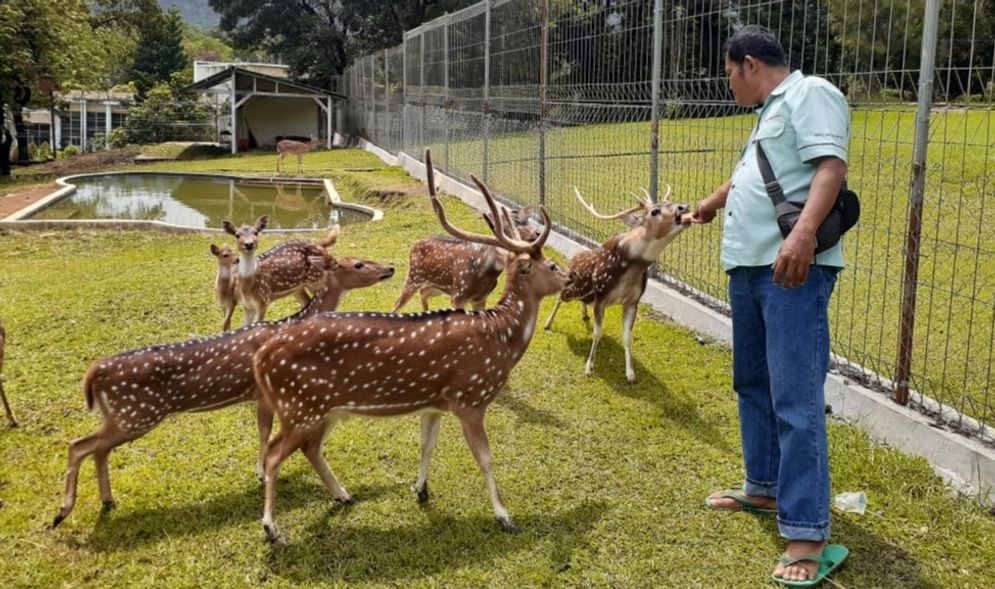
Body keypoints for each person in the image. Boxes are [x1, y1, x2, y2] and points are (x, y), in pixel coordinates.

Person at [685, 25, 850, 586]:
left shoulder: (810, 95)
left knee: (795, 397)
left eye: (729, 73)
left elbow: (830, 167)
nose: (728, 84)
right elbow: (755, 175)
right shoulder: (768, 112)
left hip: (790, 271)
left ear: (749, 64)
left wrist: (802, 235)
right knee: (752, 382)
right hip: (751, 267)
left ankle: (806, 532)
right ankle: (765, 486)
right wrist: (708, 205)